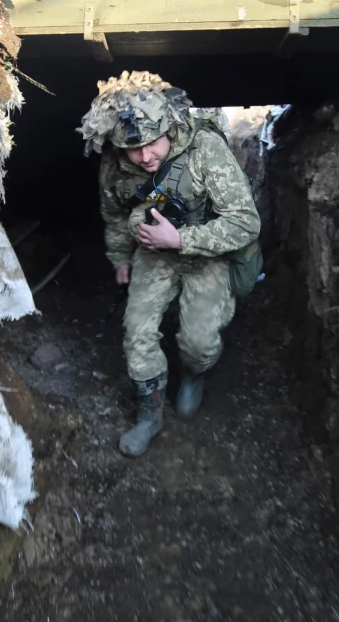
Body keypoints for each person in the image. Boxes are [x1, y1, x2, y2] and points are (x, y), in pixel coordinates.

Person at [78, 71, 261, 457]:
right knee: (137, 333)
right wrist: (120, 257)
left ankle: (194, 374)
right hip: (153, 252)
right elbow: (113, 212)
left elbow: (245, 222)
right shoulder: (115, 162)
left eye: (152, 144)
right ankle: (149, 416)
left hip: (207, 252)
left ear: (169, 128)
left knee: (199, 342)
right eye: (133, 149)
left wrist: (182, 239)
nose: (145, 157)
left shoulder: (204, 148)